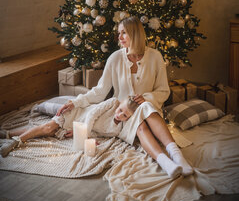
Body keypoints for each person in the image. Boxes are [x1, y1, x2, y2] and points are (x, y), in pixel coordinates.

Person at [1, 16, 193, 178]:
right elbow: (100, 91)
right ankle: (168, 165)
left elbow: (163, 91)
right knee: (140, 126)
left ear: (135, 33)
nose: (119, 37)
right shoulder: (115, 58)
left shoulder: (155, 57)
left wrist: (146, 97)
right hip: (122, 114)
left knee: (144, 108)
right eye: (118, 33)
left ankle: (177, 156)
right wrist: (75, 102)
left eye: (123, 33)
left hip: (149, 108)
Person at [0, 96, 139, 157]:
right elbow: (92, 115)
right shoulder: (113, 102)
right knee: (48, 128)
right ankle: (14, 142)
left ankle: (7, 134)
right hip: (76, 114)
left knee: (47, 132)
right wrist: (85, 135)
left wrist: (77, 133)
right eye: (121, 110)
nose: (120, 115)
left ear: (129, 118)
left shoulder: (116, 130)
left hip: (78, 127)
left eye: (125, 116)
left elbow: (98, 133)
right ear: (120, 105)